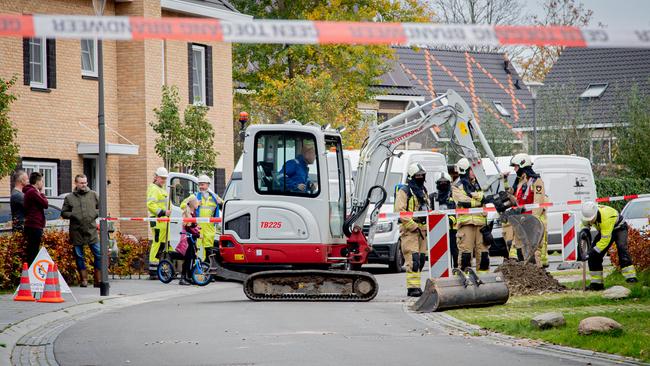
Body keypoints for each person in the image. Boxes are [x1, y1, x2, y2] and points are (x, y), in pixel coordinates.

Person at [581, 202, 637, 290]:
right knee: (594, 257)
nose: (590, 221)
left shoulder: (606, 218)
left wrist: (591, 252)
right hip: (605, 231)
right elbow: (584, 225)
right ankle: (597, 284)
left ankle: (631, 278)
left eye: (591, 219)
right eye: (588, 219)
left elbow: (605, 240)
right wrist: (584, 231)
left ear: (596, 213)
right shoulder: (587, 214)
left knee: (622, 249)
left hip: (619, 228)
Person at [395, 163, 430, 297]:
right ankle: (412, 288)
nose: (420, 177)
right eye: (417, 175)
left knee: (421, 259)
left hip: (422, 230)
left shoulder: (423, 190)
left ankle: (417, 286)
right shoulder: (404, 191)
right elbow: (400, 211)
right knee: (413, 259)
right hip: (410, 231)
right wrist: (413, 225)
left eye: (422, 175)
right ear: (412, 176)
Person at [508, 153, 548, 267]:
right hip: (520, 221)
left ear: (522, 165)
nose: (515, 169)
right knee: (520, 250)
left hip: (531, 222)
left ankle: (537, 277)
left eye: (515, 166)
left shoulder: (536, 181)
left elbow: (538, 204)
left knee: (533, 253)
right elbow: (519, 201)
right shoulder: (520, 182)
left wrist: (532, 221)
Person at [61, 174, 101, 288]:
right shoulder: (69, 197)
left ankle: (97, 280)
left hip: (91, 230)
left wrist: (94, 214)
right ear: (76, 183)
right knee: (79, 256)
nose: (84, 185)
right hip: (76, 231)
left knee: (98, 254)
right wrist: (73, 215)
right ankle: (83, 280)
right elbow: (63, 213)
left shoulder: (93, 195)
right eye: (81, 183)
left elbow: (102, 208)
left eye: (85, 182)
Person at [452, 158, 489, 274]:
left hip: (481, 225)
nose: (475, 172)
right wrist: (479, 199)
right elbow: (464, 202)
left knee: (483, 256)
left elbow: (487, 196)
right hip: (466, 225)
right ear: (465, 170)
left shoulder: (481, 183)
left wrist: (475, 196)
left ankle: (484, 280)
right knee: (465, 257)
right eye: (472, 169)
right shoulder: (456, 186)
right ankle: (465, 282)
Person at [181, 174, 222, 261]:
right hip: (198, 227)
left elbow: (224, 205)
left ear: (208, 185)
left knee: (208, 249)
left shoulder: (214, 197)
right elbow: (182, 205)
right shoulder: (195, 196)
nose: (200, 187)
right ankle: (197, 268)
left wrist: (221, 203)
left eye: (202, 184)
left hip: (209, 228)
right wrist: (193, 204)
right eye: (199, 184)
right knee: (197, 248)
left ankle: (206, 267)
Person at [147, 167, 170, 278]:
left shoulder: (162, 189)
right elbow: (151, 205)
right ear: (156, 177)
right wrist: (163, 212)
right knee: (156, 244)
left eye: (165, 179)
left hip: (162, 221)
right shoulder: (154, 189)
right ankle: (153, 270)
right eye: (162, 178)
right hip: (157, 221)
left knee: (161, 245)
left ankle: (158, 268)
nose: (163, 180)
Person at [23, 172, 48, 265]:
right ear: (37, 181)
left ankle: (30, 273)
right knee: (33, 252)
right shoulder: (33, 192)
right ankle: (31, 274)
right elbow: (45, 204)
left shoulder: (30, 192)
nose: (43, 183)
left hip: (32, 224)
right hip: (34, 225)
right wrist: (42, 193)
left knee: (31, 250)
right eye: (42, 181)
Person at [435, 173, 458, 268]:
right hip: (439, 230)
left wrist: (450, 220)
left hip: (453, 229)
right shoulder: (434, 197)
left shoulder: (454, 195)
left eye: (445, 182)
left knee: (455, 251)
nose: (443, 184)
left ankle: (456, 268)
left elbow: (457, 211)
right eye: (441, 182)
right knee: (442, 253)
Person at [180, 196, 201, 285]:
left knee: (192, 258)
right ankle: (183, 278)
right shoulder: (187, 213)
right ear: (193, 204)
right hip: (188, 239)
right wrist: (196, 232)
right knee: (188, 258)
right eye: (196, 203)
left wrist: (197, 229)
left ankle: (189, 276)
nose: (198, 204)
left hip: (192, 238)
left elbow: (193, 226)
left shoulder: (193, 212)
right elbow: (188, 226)